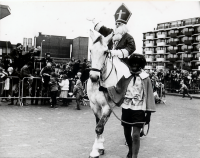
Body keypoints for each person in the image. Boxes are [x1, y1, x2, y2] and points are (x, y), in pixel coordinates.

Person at [101, 54, 156, 158]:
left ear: (140, 65)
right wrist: (106, 90)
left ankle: (134, 156)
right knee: (126, 133)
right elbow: (118, 89)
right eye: (133, 63)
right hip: (126, 108)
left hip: (139, 109)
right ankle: (130, 149)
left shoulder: (146, 78)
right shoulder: (126, 76)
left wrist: (148, 114)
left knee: (135, 135)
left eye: (137, 64)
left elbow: (149, 96)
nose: (134, 65)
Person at [89, 3, 136, 80]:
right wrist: (94, 20)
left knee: (126, 75)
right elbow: (102, 29)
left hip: (122, 61)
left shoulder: (129, 37)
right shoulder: (111, 32)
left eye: (119, 24)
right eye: (116, 23)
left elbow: (131, 48)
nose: (117, 25)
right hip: (108, 60)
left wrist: (114, 52)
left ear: (124, 25)